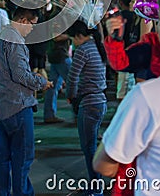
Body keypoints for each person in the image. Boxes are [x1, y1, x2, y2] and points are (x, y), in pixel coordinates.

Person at [93, 0, 160, 195]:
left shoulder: (146, 97)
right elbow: (122, 62)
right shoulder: (151, 45)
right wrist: (115, 40)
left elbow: (105, 163)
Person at [0, 5, 53, 196]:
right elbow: (21, 74)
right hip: (18, 104)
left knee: (4, 156)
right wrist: (42, 82)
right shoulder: (15, 40)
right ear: (24, 20)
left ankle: (2, 192)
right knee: (23, 157)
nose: (33, 29)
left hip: (4, 104)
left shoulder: (1, 35)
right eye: (32, 24)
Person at [66, 19, 107, 196]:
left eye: (72, 39)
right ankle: (95, 184)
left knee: (88, 148)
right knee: (93, 146)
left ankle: (96, 188)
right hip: (100, 101)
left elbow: (73, 78)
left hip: (89, 103)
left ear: (79, 36)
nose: (72, 43)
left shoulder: (82, 50)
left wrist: (70, 96)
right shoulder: (98, 46)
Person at [44, 0, 72, 123]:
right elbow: (56, 36)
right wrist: (72, 35)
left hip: (55, 53)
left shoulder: (57, 14)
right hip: (60, 54)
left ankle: (49, 114)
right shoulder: (58, 15)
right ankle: (79, 113)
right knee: (73, 82)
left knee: (53, 86)